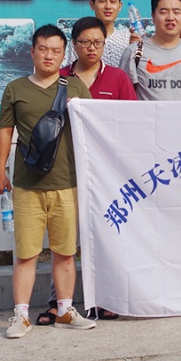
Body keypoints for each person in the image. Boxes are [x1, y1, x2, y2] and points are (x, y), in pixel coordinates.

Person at [0, 24, 95, 339]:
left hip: (68, 183)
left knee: (65, 252)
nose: (49, 55)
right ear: (32, 52)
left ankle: (64, 311)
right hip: (27, 186)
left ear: (64, 55)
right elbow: (5, 133)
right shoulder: (15, 89)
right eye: (43, 49)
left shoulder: (75, 87)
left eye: (56, 50)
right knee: (26, 253)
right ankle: (21, 316)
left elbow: (94, 129)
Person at [35, 17, 136, 326]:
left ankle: (105, 299)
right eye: (85, 42)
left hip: (107, 171)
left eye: (98, 43)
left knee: (107, 234)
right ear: (74, 44)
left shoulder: (117, 77)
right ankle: (58, 303)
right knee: (63, 240)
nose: (92, 48)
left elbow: (132, 121)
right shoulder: (60, 77)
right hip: (65, 169)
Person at [120, 0, 181, 100]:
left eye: (176, 12)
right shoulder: (133, 53)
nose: (170, 18)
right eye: (163, 12)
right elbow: (125, 102)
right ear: (153, 16)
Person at [66, 0, 137, 68]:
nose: (108, 6)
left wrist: (137, 49)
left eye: (112, 1)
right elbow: (71, 72)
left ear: (120, 6)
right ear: (92, 5)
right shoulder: (80, 39)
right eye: (102, 1)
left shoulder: (128, 38)